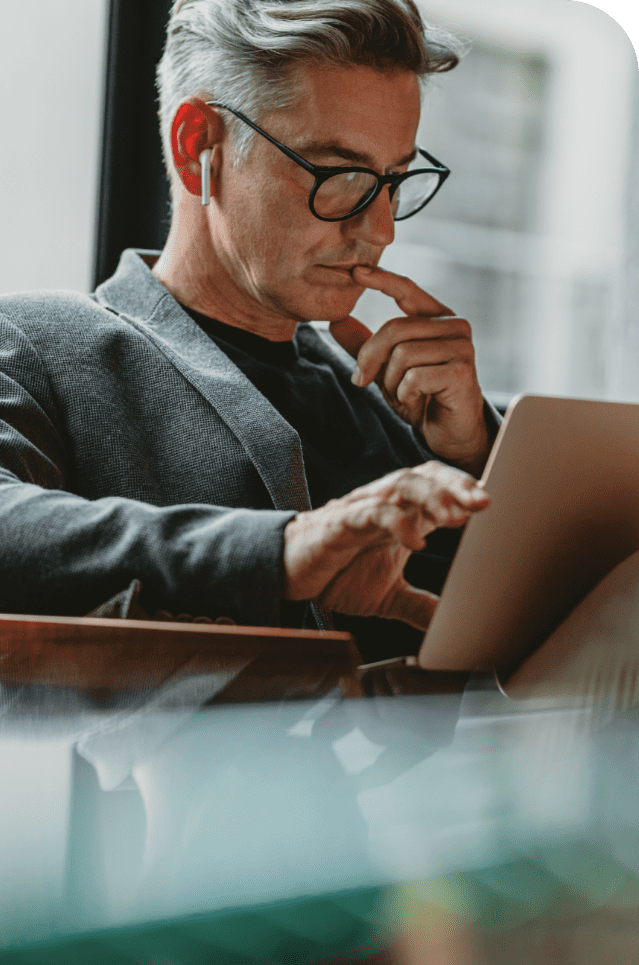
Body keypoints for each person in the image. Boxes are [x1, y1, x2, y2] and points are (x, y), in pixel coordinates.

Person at [0, 0, 498, 662]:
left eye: (393, 180)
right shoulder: (38, 345)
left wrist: (477, 453)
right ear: (197, 146)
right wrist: (283, 549)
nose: (380, 230)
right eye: (339, 174)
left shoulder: (410, 407)